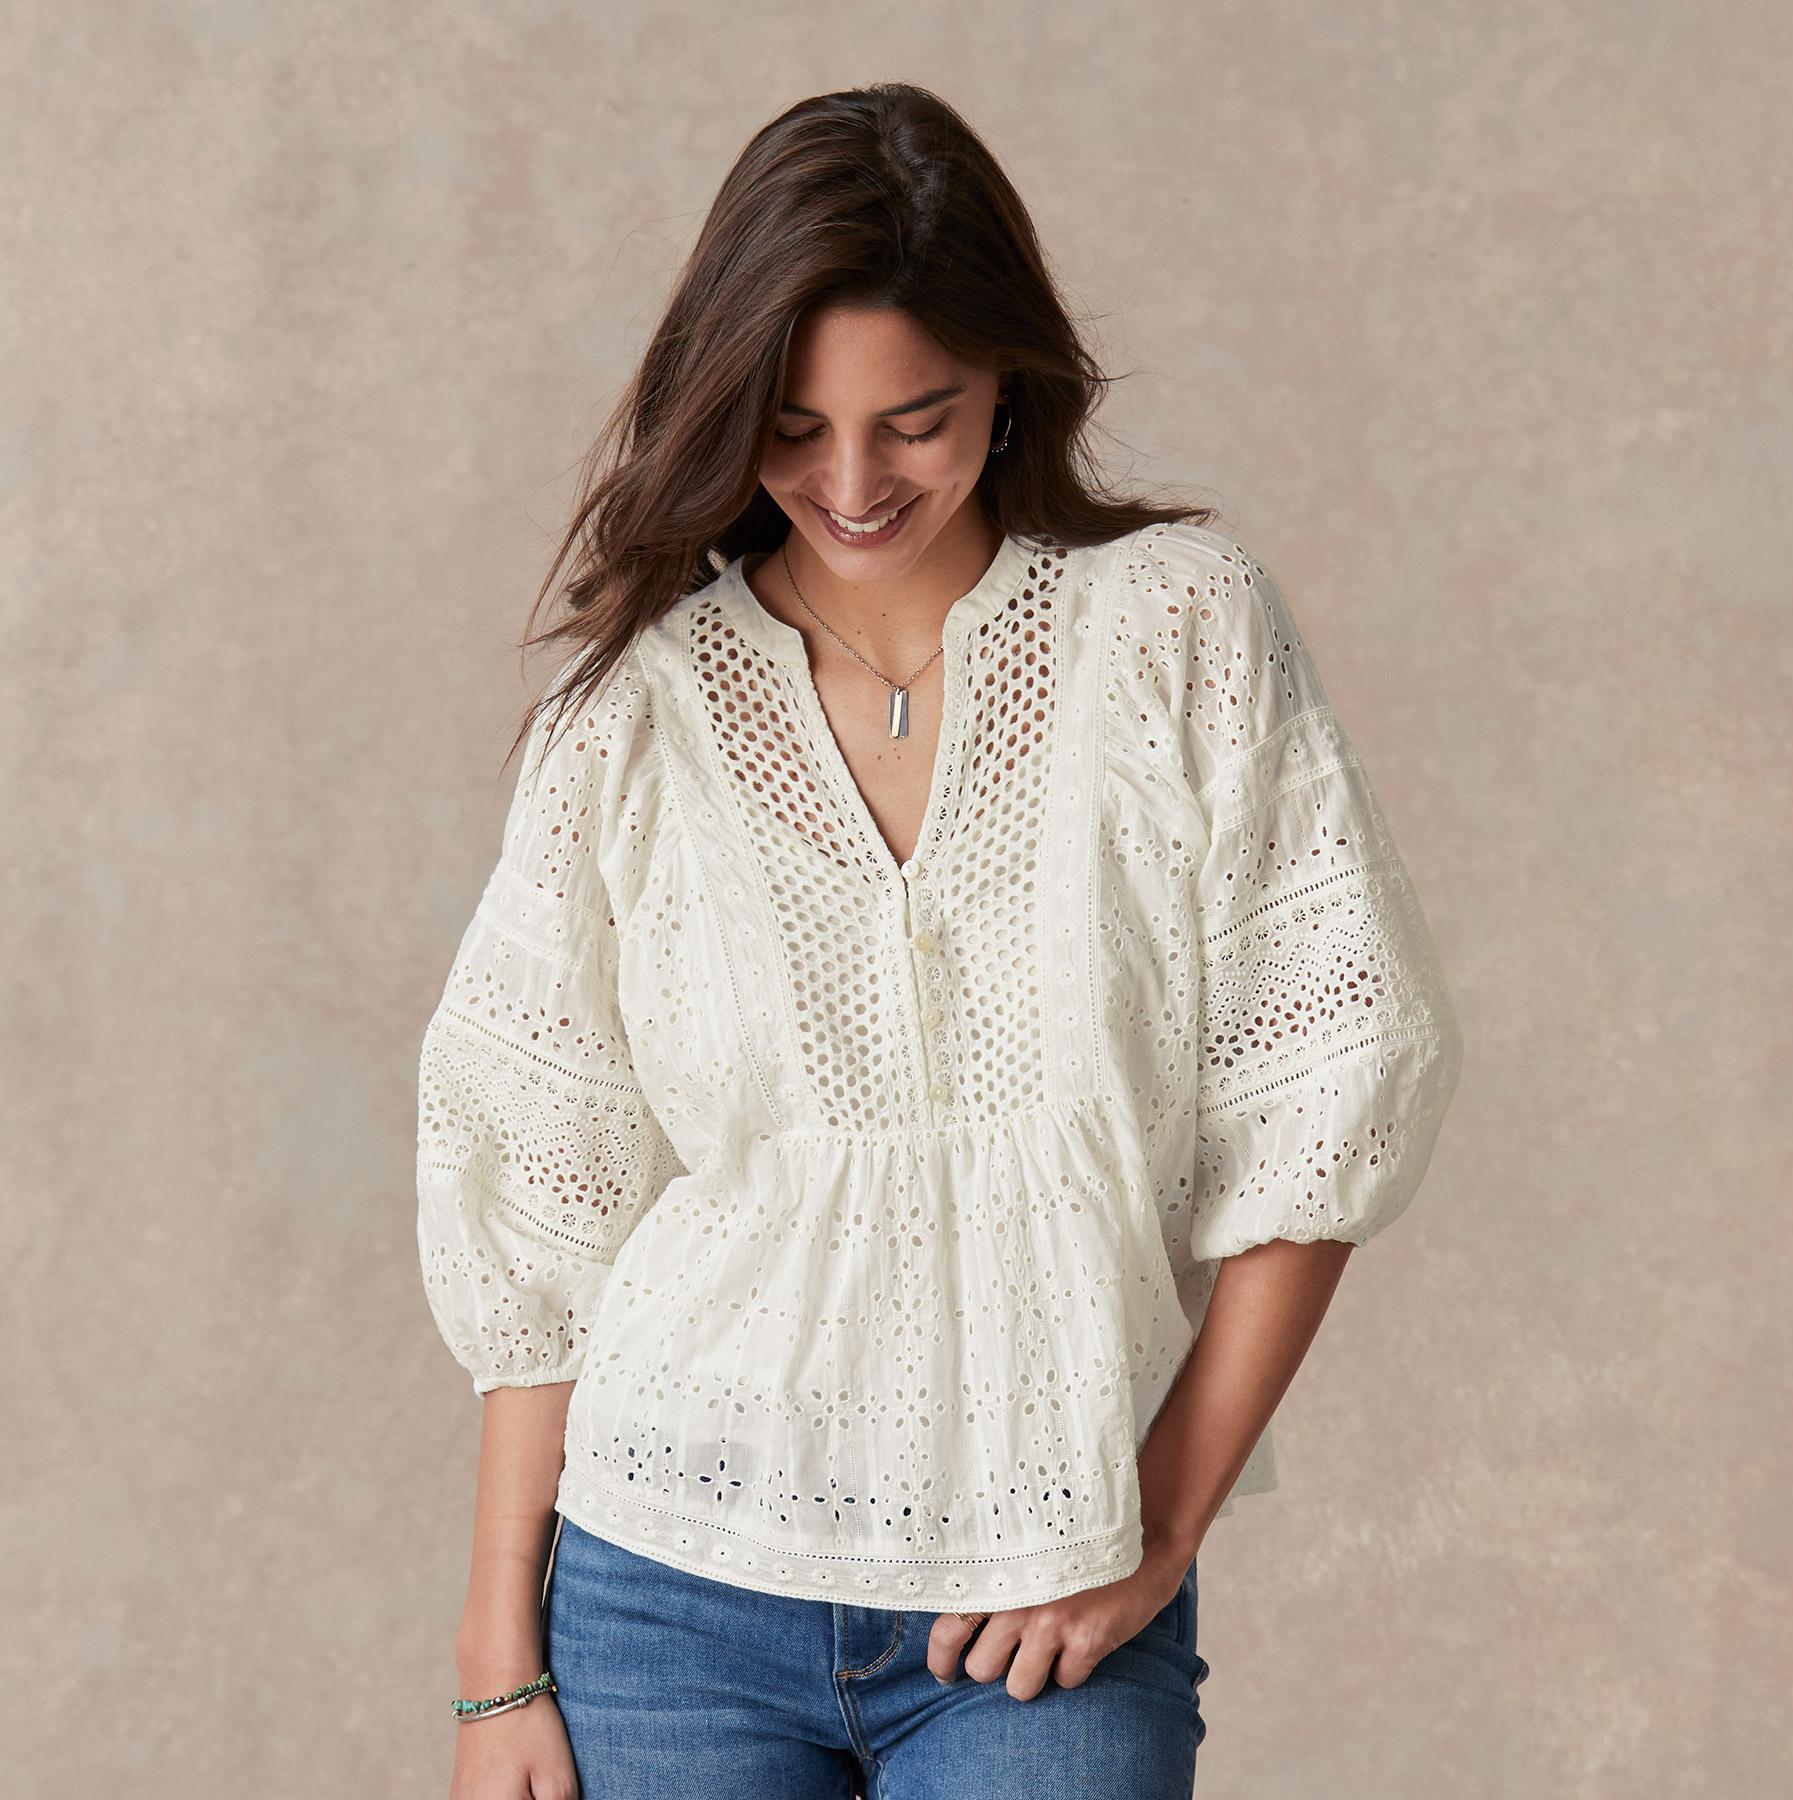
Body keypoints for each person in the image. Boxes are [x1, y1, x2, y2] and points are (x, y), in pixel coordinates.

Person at [415, 81, 1463, 1800]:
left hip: (1046, 1589)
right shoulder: (633, 716)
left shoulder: (1175, 626)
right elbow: (545, 1198)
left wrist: (1159, 1529)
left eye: (917, 421)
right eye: (791, 427)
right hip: (664, 1593)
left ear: (1011, 380)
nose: (850, 483)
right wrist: (492, 1669)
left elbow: (1324, 1093)